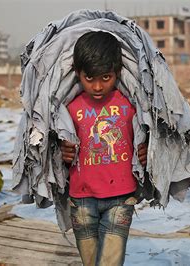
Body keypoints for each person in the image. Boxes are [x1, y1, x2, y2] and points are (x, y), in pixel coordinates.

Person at [60, 31, 148, 266]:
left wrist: (147, 151)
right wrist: (62, 152)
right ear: (77, 73)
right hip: (81, 200)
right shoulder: (67, 108)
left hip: (121, 198)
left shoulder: (130, 104)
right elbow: (54, 147)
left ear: (118, 72)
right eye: (89, 78)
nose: (98, 86)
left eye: (106, 77)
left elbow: (149, 135)